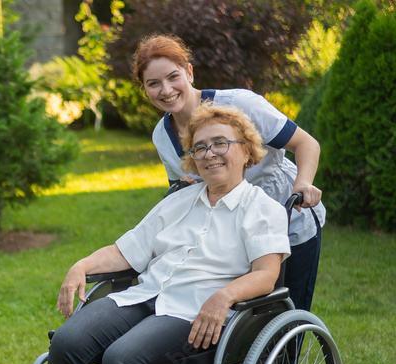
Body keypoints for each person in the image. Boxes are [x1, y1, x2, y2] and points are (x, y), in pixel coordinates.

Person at [21, 103, 291, 364]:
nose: (210, 154)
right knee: (67, 344)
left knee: (122, 360)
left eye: (221, 143)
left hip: (196, 314)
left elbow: (266, 275)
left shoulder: (262, 209)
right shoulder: (179, 202)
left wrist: (223, 297)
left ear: (246, 150)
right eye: (200, 147)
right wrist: (82, 266)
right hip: (145, 296)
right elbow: (126, 250)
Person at [132, 34, 324, 312]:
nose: (166, 90)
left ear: (189, 72)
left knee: (286, 310)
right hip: (232, 238)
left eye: (173, 77)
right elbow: (183, 196)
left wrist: (303, 184)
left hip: (288, 217)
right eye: (153, 83)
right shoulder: (162, 136)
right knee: (246, 317)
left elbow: (306, 144)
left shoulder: (241, 104)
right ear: (145, 89)